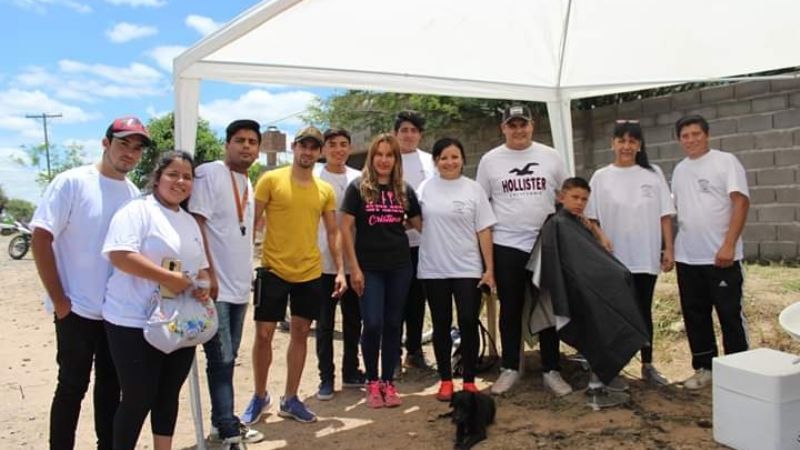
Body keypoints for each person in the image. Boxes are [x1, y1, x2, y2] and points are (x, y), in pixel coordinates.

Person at [30, 116, 148, 450]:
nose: (130, 153)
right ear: (106, 142)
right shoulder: (72, 182)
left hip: (116, 313)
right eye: (124, 143)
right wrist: (60, 300)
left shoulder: (134, 193)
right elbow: (41, 237)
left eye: (137, 148)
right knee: (71, 387)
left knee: (110, 388)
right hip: (76, 309)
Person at [102, 151, 210, 450]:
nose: (180, 181)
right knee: (138, 398)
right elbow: (120, 255)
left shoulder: (189, 222)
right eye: (173, 174)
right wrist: (166, 277)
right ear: (158, 177)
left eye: (187, 176)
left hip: (178, 322)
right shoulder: (136, 211)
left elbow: (200, 268)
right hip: (132, 322)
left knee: (167, 396)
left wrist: (203, 284)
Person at [241, 126, 346, 425]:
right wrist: (243, 264)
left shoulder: (324, 190)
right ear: (295, 147)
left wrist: (340, 270)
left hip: (309, 272)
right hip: (273, 269)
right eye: (303, 146)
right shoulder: (271, 179)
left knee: (300, 333)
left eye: (314, 147)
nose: (308, 152)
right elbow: (253, 223)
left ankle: (290, 398)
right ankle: (260, 396)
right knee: (263, 335)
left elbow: (333, 231)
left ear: (320, 152)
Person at [475, 104, 572, 396]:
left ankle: (551, 369)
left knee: (547, 308)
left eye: (523, 124)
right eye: (512, 125)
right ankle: (509, 368)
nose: (518, 130)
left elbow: (566, 197)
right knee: (511, 308)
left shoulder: (551, 156)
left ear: (532, 125)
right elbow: (481, 207)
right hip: (507, 244)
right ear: (503, 128)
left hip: (543, 245)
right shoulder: (490, 160)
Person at [188, 120, 263, 448]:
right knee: (220, 357)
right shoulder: (209, 173)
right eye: (239, 140)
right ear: (226, 144)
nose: (246, 146)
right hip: (216, 286)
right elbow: (197, 225)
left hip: (238, 286)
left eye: (252, 142)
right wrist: (209, 274)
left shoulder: (248, 181)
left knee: (229, 357)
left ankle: (223, 421)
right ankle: (228, 428)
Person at [586, 120, 675, 386]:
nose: (626, 146)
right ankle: (610, 368)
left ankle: (647, 365)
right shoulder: (601, 177)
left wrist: (668, 248)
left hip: (645, 257)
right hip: (613, 260)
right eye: (621, 141)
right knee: (613, 313)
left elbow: (665, 215)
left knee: (643, 310)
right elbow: (590, 218)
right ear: (612, 144)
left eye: (632, 141)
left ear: (639, 145)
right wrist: (602, 238)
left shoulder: (652, 174)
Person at [340, 134, 422, 408]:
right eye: (380, 154)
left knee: (392, 324)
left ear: (396, 160)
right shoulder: (357, 188)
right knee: (372, 323)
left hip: (400, 266)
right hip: (369, 268)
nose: (384, 160)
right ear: (372, 157)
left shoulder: (404, 190)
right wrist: (354, 269)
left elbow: (419, 223)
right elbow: (345, 229)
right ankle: (372, 382)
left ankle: (389, 382)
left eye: (390, 155)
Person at [671, 114, 750, 390]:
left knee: (729, 314)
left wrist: (728, 243)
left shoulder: (725, 162)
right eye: (685, 136)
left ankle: (740, 371)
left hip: (721, 257)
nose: (691, 140)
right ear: (679, 140)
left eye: (696, 134)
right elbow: (677, 212)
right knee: (695, 314)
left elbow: (740, 203)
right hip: (687, 257)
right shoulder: (680, 170)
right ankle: (704, 368)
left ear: (707, 135)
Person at [417, 137, 496, 401]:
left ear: (463, 159)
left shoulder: (473, 190)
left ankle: (470, 381)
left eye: (454, 157)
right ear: (436, 161)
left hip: (468, 268)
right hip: (434, 269)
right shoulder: (424, 188)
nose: (449, 162)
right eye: (443, 158)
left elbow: (484, 229)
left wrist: (489, 269)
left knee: (468, 322)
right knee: (440, 324)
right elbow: (415, 221)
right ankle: (446, 380)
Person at [314, 128, 365, 400]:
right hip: (321, 263)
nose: (338, 149)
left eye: (343, 144)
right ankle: (326, 377)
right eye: (332, 144)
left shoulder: (359, 178)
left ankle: (351, 371)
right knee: (324, 323)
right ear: (324, 149)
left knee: (353, 321)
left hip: (353, 261)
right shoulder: (313, 176)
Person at [394, 110, 436, 370]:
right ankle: (393, 352)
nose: (409, 135)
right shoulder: (386, 158)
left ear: (420, 135)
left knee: (417, 299)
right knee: (395, 298)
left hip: (423, 241)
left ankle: (414, 350)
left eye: (414, 131)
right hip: (392, 242)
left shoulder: (430, 161)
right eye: (404, 130)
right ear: (396, 133)